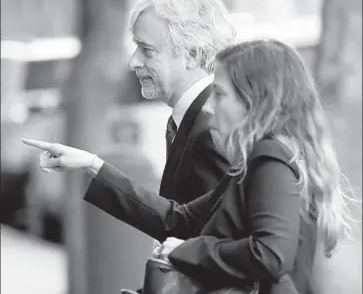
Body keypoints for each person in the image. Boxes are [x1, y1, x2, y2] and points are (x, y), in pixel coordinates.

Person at [23, 39, 354, 294]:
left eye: (220, 95)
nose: (209, 106)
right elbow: (175, 219)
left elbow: (271, 254)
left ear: (254, 103)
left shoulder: (270, 160)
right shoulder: (255, 163)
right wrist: (91, 165)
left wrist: (189, 250)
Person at [127, 0, 234, 206]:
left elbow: (222, 230)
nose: (134, 62)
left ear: (191, 55)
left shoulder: (210, 130)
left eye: (147, 50)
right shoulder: (194, 120)